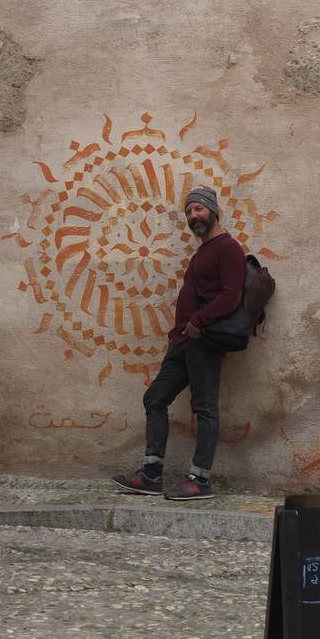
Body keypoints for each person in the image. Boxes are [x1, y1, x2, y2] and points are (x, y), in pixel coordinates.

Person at [113, 186, 246, 500]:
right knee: (155, 398)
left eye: (198, 209)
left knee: (205, 408)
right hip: (183, 342)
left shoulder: (228, 248)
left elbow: (231, 295)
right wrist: (179, 334)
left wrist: (198, 322)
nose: (193, 216)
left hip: (203, 340)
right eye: (188, 211)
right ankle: (151, 474)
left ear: (214, 210)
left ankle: (200, 480)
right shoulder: (202, 251)